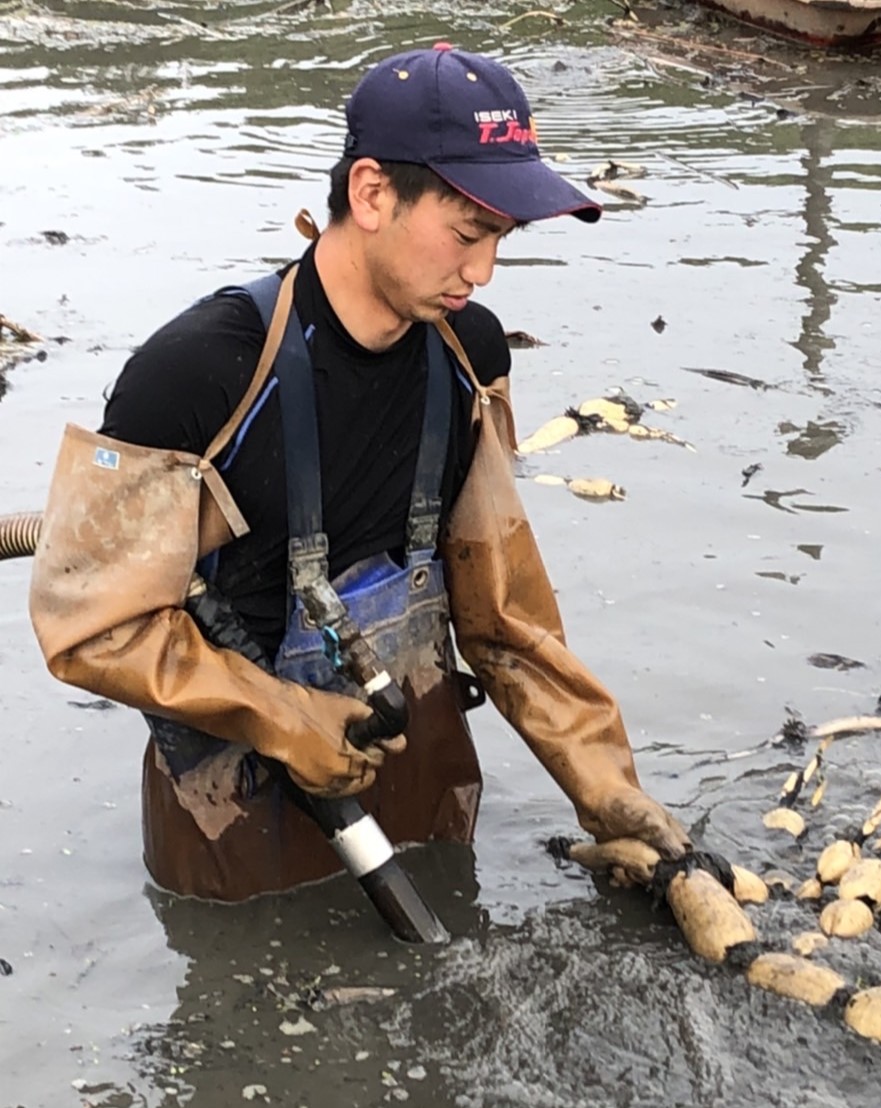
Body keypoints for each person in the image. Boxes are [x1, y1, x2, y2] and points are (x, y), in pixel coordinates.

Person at [27, 44, 689, 902]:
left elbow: (502, 613)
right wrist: (277, 714)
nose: (484, 271)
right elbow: (92, 630)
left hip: (424, 778)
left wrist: (602, 784)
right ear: (372, 193)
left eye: (501, 238)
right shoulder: (196, 376)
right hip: (235, 814)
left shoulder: (470, 355)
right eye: (467, 232)